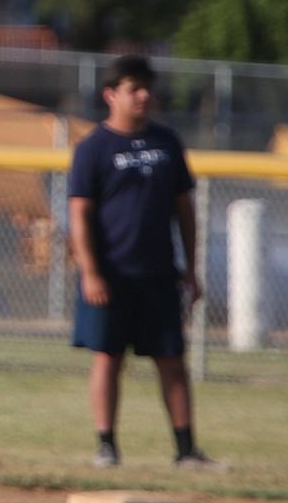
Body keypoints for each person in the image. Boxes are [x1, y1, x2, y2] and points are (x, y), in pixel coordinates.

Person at [67, 54, 224, 472]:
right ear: (110, 95)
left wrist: (190, 268)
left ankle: (186, 451)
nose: (143, 96)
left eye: (146, 88)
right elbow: (79, 215)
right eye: (133, 89)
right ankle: (106, 446)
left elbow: (185, 211)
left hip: (158, 272)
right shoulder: (93, 148)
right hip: (112, 274)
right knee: (108, 357)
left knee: (171, 360)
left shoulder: (166, 142)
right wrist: (91, 271)